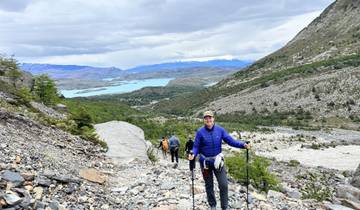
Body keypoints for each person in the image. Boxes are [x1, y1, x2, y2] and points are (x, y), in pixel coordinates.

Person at [188, 110, 251, 210]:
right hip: (205, 163)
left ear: (213, 119)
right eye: (206, 118)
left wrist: (243, 145)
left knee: (224, 185)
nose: (208, 119)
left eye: (210, 117)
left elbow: (231, 141)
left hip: (218, 162)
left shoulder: (220, 130)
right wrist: (192, 154)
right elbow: (196, 147)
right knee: (209, 185)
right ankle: (213, 205)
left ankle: (224, 207)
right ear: (204, 120)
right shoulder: (200, 132)